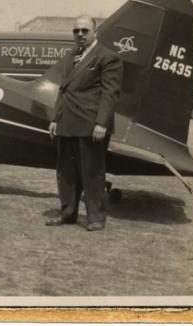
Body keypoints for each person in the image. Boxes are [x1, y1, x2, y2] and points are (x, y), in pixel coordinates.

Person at [46, 15, 122, 231]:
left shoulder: (108, 57)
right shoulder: (71, 57)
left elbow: (110, 93)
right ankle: (68, 212)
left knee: (92, 173)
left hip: (91, 125)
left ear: (95, 32)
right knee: (66, 173)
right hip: (67, 123)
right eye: (76, 31)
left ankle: (96, 218)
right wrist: (55, 119)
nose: (79, 34)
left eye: (84, 31)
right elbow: (64, 90)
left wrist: (101, 123)